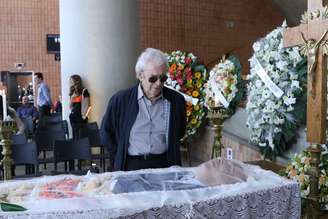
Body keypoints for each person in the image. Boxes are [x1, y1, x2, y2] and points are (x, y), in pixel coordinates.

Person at [100, 48, 186, 171]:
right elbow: (106, 133)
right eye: (153, 78)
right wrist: (118, 153)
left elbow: (180, 131)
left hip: (165, 165)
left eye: (162, 79)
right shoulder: (120, 100)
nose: (158, 84)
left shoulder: (176, 101)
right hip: (130, 165)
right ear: (140, 75)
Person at [69, 74, 90, 139]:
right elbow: (71, 107)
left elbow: (87, 105)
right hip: (73, 117)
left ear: (76, 81)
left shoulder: (84, 91)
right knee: (75, 136)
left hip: (81, 118)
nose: (69, 82)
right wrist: (72, 99)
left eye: (71, 80)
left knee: (81, 136)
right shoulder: (72, 92)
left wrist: (84, 117)